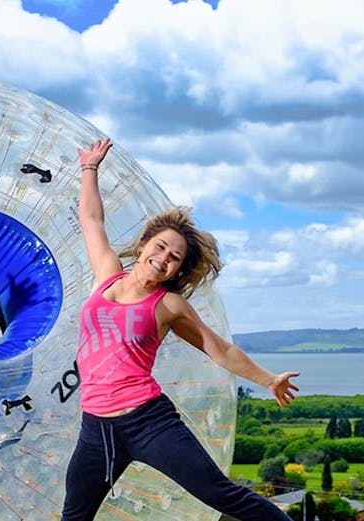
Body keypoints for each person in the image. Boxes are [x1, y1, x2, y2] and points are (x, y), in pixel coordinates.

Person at [61, 137, 300, 521]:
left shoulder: (169, 305)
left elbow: (219, 349)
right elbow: (91, 220)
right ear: (143, 246)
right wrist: (89, 169)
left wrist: (268, 379)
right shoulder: (106, 275)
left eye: (174, 258)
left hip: (148, 422)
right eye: (159, 247)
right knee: (74, 516)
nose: (163, 259)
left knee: (221, 493)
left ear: (178, 270)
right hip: (96, 428)